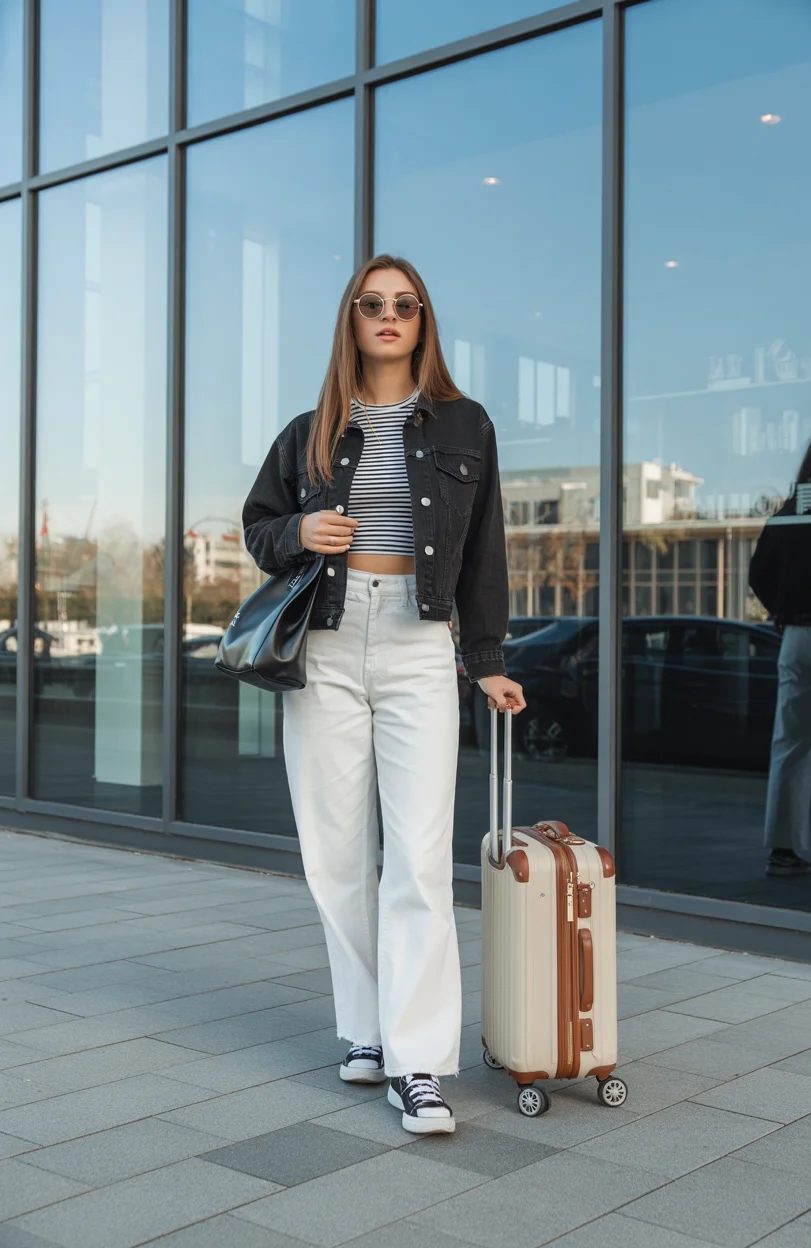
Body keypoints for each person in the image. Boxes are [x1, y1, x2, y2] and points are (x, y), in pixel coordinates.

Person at [242, 254, 525, 1134]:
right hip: (326, 642)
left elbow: (485, 549)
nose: (389, 315)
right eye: (372, 304)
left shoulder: (465, 424)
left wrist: (485, 657)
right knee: (334, 855)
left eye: (405, 304)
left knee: (419, 858)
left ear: (423, 319)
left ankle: (420, 1062)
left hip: (416, 640)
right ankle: (365, 1030)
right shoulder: (311, 430)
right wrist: (302, 528)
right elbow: (258, 529)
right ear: (353, 321)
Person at [749, 427, 811, 877]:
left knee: (791, 747)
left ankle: (783, 851)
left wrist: (782, 611)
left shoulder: (790, 511)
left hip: (797, 638)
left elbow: (758, 573)